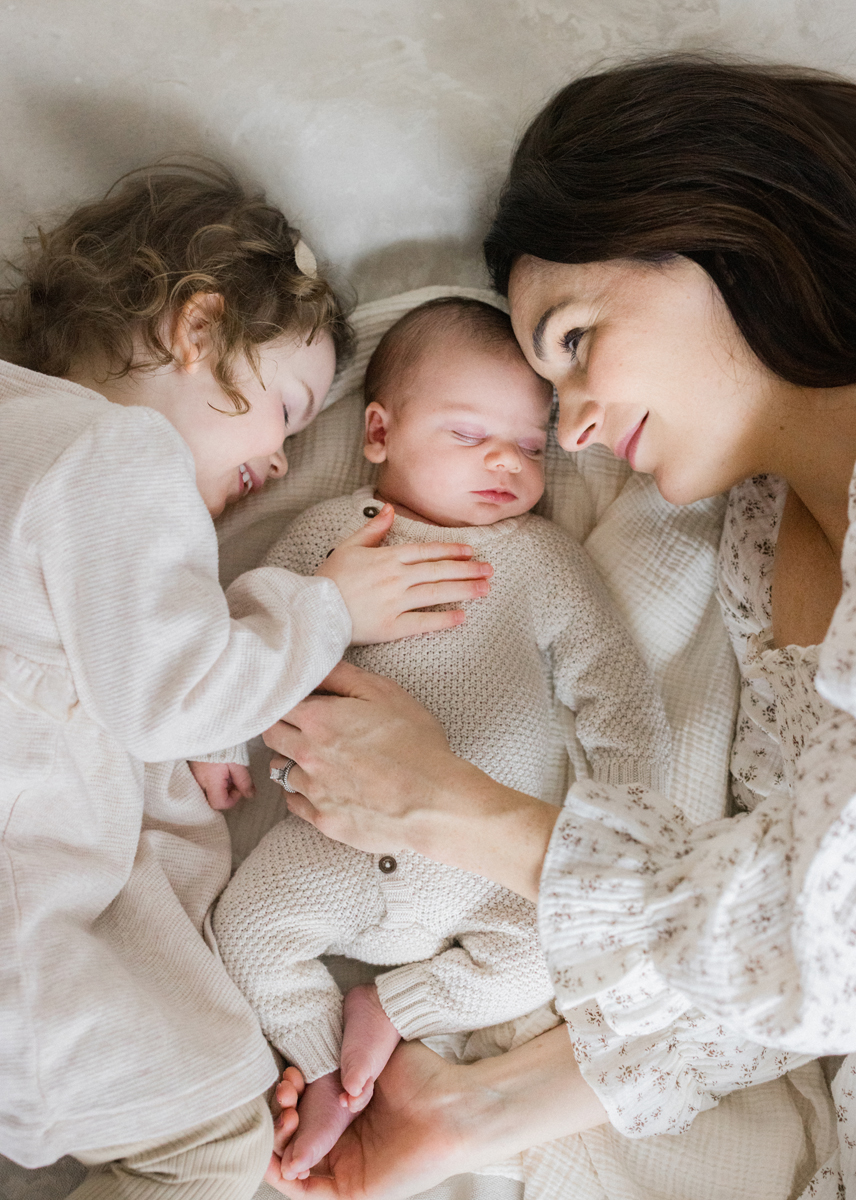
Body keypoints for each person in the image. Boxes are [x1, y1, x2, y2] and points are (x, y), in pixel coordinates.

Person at [261, 58, 856, 1199]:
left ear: (718, 225)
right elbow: (762, 949)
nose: (579, 431)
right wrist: (471, 1113)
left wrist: (458, 808)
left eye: (573, 342)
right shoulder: (755, 546)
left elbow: (850, 943)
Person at [0, 162, 492, 1200]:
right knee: (215, 1144)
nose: (277, 461)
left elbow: (89, 661)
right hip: (26, 951)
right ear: (195, 330)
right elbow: (170, 690)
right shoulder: (118, 452)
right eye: (284, 408)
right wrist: (330, 610)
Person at [207, 295, 672, 1183]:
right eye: (468, 435)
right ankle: (339, 1086)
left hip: (484, 874)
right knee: (249, 931)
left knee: (550, 952)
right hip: (329, 845)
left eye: (531, 446)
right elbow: (252, 635)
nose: (506, 460)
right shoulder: (334, 538)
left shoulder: (537, 559)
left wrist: (618, 805)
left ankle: (391, 1010)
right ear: (378, 432)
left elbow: (610, 679)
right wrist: (221, 742)